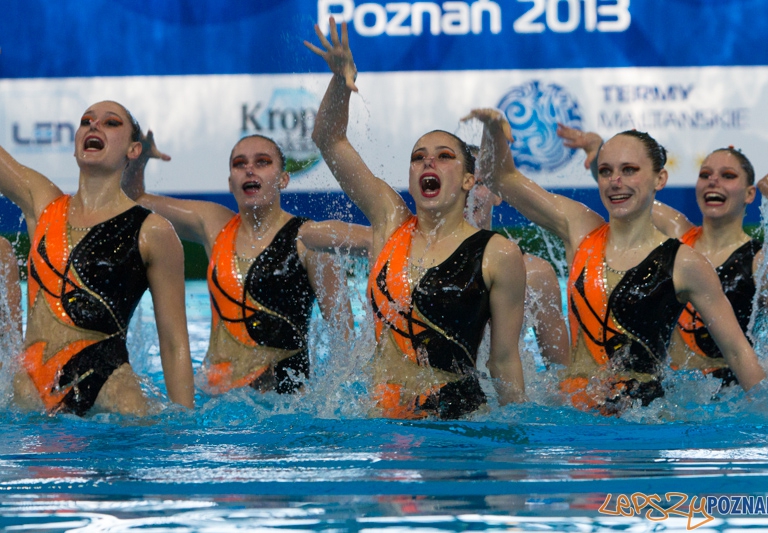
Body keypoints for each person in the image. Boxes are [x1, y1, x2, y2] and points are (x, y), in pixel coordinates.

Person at [467, 109, 765, 415]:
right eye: (606, 171)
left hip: (639, 421)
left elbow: (738, 352)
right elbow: (501, 178)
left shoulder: (684, 262)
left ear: (660, 178)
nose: (615, 181)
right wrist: (493, 128)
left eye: (629, 170)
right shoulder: (580, 230)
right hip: (573, 414)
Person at [306, 19, 526, 420]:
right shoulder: (390, 220)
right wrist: (340, 81)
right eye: (419, 156)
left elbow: (505, 362)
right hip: (382, 417)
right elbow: (329, 139)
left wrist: (517, 445)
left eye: (445, 156)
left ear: (467, 179)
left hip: (455, 420)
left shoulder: (497, 254)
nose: (430, 161)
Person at [123, 132, 358, 395]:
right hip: (215, 396)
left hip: (282, 405)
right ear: (230, 183)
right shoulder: (214, 224)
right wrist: (138, 162)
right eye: (239, 164)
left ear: (283, 179)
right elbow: (136, 200)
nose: (249, 170)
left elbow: (345, 341)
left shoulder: (309, 240)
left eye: (262, 162)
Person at [1, 101, 194, 416]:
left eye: (111, 123)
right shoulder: (44, 204)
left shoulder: (153, 231)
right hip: (30, 394)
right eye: (86, 120)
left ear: (133, 150)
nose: (94, 126)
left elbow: (174, 343)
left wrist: (185, 428)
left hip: (110, 393)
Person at [559, 126, 768, 388]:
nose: (714, 181)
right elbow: (627, 194)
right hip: (678, 384)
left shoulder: (764, 261)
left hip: (726, 387)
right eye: (705, 175)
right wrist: (597, 153)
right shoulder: (679, 236)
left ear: (749, 193)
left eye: (727, 175)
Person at [467, 149, 569, 368]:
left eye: (480, 184)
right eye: (463, 181)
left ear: (497, 194)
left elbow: (561, 373)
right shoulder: (422, 264)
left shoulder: (533, 273)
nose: (471, 193)